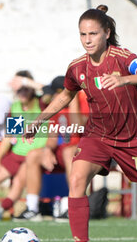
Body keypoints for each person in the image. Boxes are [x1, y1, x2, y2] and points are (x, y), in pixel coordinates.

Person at [24, 5, 137, 242]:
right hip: (98, 135)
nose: (87, 40)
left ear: (107, 33)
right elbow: (65, 95)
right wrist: (39, 120)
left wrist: (125, 79)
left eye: (93, 34)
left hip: (133, 138)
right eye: (83, 34)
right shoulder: (77, 67)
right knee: (78, 178)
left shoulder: (123, 57)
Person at [15, 78, 88, 221]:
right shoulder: (55, 108)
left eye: (56, 94)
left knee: (69, 152)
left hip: (84, 151)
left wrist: (72, 100)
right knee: (33, 155)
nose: (54, 98)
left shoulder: (82, 102)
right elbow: (53, 137)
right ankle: (32, 208)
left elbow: (78, 125)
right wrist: (47, 149)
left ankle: (70, 206)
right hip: (64, 151)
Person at [0, 70, 47, 218]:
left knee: (17, 183)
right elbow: (9, 137)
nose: (22, 92)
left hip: (33, 155)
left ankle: (1, 210)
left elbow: (55, 91)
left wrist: (26, 82)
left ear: (31, 88)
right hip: (16, 154)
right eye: (19, 89)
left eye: (25, 88)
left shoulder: (42, 103)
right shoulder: (16, 107)